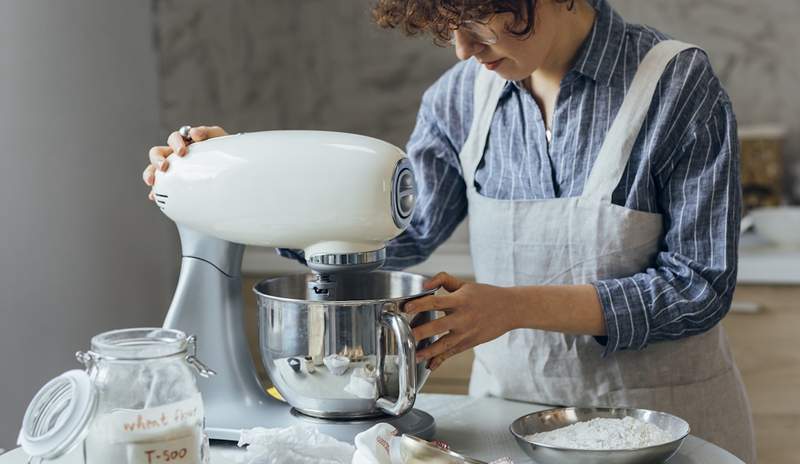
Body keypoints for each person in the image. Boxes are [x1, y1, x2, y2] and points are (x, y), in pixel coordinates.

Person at [142, 0, 755, 460]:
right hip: (513, 424)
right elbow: (390, 238)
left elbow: (698, 288)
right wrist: (241, 175)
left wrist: (510, 308)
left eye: (477, 18)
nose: (462, 49)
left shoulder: (676, 87)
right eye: (445, 27)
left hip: (665, 432)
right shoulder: (460, 99)